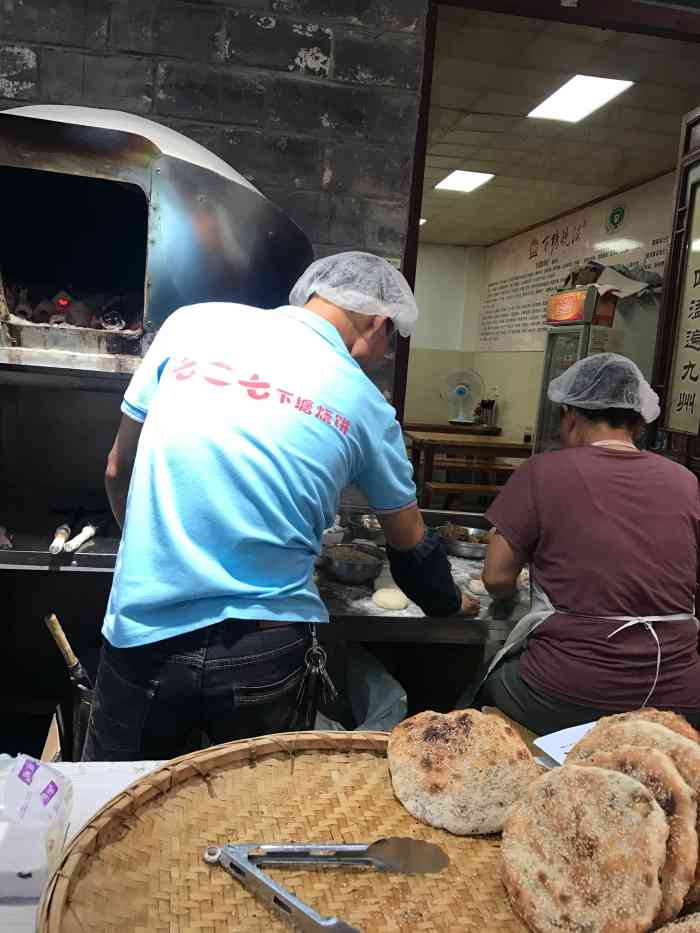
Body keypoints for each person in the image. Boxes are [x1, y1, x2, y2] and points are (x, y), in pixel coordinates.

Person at [83, 251, 479, 761]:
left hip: (145, 636)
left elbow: (119, 468)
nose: (380, 360)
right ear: (380, 323)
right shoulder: (366, 402)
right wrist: (452, 605)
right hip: (265, 650)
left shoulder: (192, 324)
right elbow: (412, 548)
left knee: (119, 813)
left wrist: (149, 549)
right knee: (254, 827)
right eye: (389, 345)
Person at [476, 352, 700, 734]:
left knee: (479, 682)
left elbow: (496, 578)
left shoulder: (542, 472)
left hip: (563, 693)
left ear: (572, 417)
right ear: (640, 424)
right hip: (679, 700)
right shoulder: (687, 481)